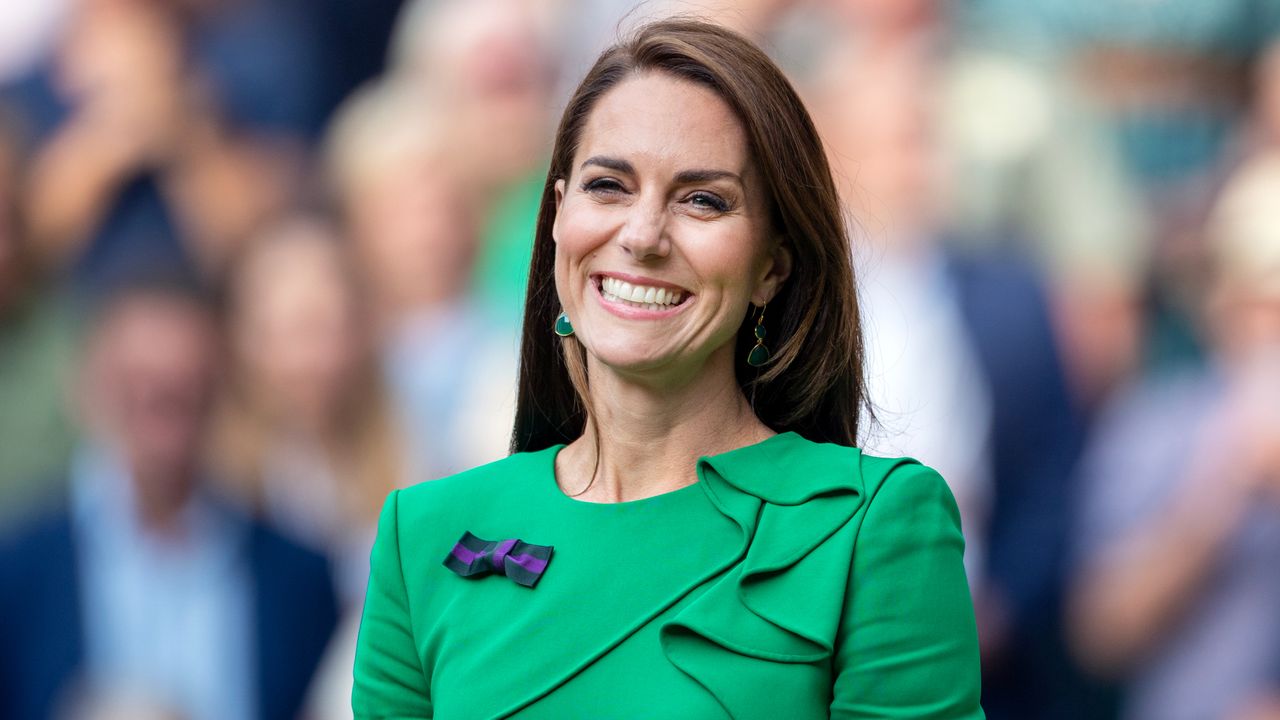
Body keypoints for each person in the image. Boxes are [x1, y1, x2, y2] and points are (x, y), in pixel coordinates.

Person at [351, 18, 983, 719]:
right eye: (609, 186)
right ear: (558, 216)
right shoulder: (422, 535)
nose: (643, 236)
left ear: (773, 266)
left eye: (702, 200)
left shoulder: (879, 528)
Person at [0, 273, 339, 720]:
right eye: (140, 384)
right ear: (94, 388)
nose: (163, 410)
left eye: (185, 387)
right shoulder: (21, 570)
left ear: (219, 391)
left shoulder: (298, 577)